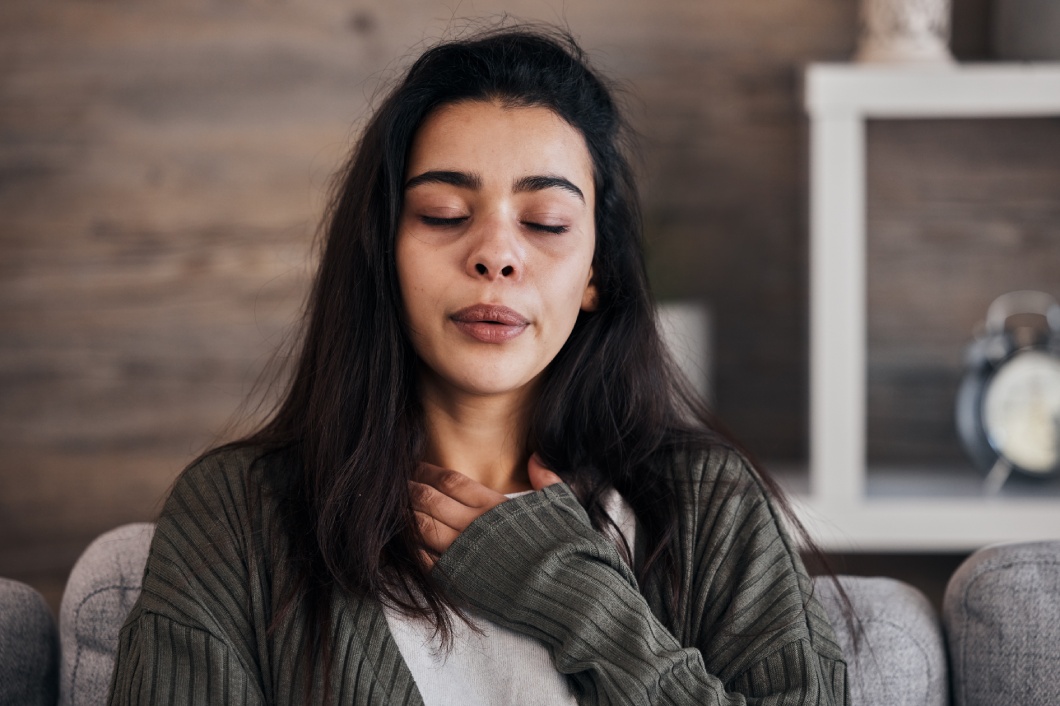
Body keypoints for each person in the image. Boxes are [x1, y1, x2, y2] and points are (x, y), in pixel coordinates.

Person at [108, 25, 849, 706]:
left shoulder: (705, 507)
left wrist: (583, 605)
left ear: (596, 271)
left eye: (546, 223)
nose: (495, 253)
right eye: (443, 214)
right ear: (383, 251)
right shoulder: (234, 518)